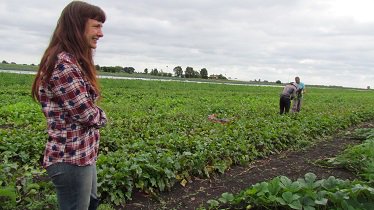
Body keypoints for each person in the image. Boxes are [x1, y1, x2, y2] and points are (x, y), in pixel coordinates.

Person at [31, 1, 107, 209]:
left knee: (90, 204)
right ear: (77, 26)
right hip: (70, 159)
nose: (101, 33)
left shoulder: (73, 61)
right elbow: (88, 114)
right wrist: (102, 116)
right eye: (96, 26)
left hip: (82, 155)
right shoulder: (63, 64)